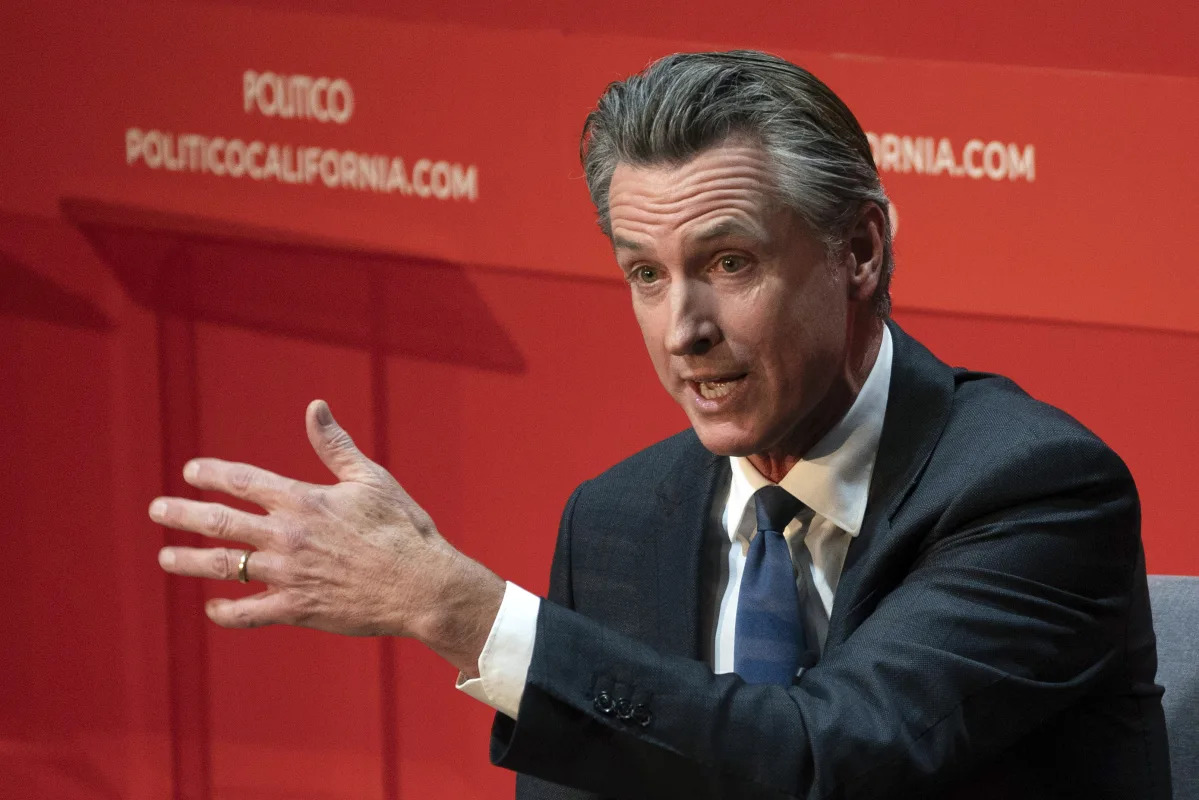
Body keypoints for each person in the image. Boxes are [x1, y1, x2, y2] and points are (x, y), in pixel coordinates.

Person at [149, 51, 1171, 798]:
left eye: (728, 263)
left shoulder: (1029, 486)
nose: (683, 330)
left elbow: (825, 757)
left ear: (858, 251)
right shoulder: (619, 519)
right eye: (645, 274)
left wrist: (462, 609)